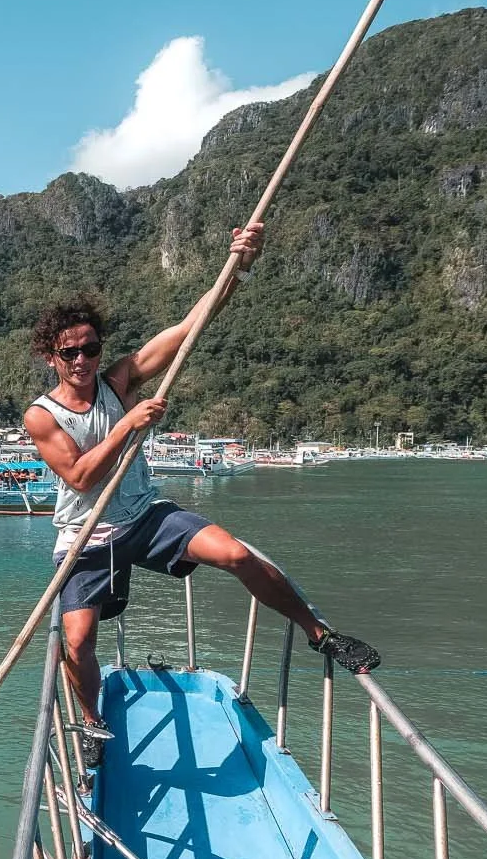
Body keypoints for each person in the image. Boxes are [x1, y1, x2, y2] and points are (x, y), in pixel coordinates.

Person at [23, 223, 381, 722]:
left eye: (91, 348)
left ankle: (319, 633)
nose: (82, 360)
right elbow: (80, 477)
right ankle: (91, 723)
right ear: (50, 357)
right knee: (77, 642)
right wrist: (129, 422)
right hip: (86, 535)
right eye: (69, 352)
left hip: (143, 515)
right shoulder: (42, 415)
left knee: (236, 554)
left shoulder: (120, 379)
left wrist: (239, 267)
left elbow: (192, 324)